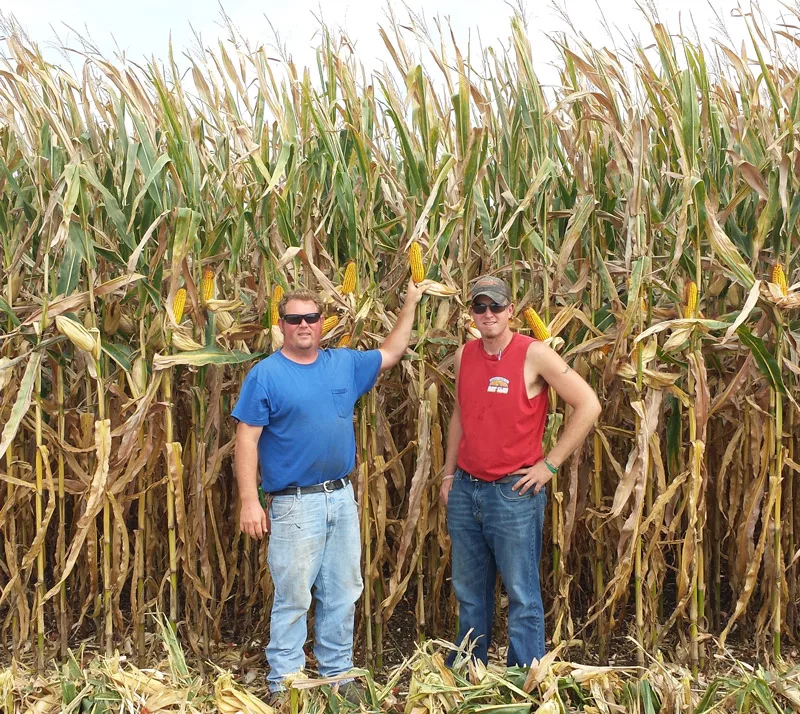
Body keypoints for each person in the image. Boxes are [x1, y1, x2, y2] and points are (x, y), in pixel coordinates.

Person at [233, 280, 424, 696]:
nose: (303, 325)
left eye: (311, 318)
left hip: (341, 496)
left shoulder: (343, 364)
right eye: (294, 319)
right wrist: (250, 501)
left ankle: (337, 675)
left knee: (342, 590)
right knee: (294, 595)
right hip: (294, 504)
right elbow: (246, 439)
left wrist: (409, 300)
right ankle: (285, 683)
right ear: (280, 325)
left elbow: (392, 352)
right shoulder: (265, 375)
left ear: (323, 324)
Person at [440, 275, 601, 667]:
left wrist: (549, 465)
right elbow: (460, 414)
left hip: (513, 493)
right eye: (480, 307)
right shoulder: (465, 355)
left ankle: (523, 680)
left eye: (496, 306)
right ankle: (468, 673)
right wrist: (447, 474)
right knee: (469, 591)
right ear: (472, 313)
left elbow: (589, 405)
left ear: (511, 311)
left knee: (521, 594)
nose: (488, 314)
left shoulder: (534, 354)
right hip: (465, 489)